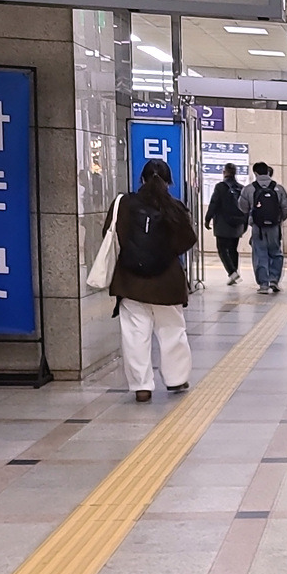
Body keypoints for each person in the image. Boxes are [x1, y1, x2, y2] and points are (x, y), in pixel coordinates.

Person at [109, 159, 196, 403]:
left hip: (130, 282)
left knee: (135, 336)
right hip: (167, 283)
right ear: (169, 182)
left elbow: (113, 234)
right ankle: (176, 379)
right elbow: (187, 240)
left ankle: (142, 387)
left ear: (142, 179)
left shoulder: (123, 204)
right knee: (172, 332)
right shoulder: (175, 208)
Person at [237, 161, 287, 294]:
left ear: (255, 173)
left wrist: (252, 216)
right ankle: (274, 280)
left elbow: (242, 207)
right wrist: (278, 220)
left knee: (260, 254)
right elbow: (286, 208)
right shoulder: (279, 189)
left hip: (258, 227)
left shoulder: (249, 189)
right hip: (274, 227)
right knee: (276, 252)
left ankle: (263, 285)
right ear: (268, 171)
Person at [204, 162, 248, 285]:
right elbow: (246, 207)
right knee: (233, 249)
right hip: (237, 224)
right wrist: (244, 224)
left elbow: (213, 204)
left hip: (223, 224)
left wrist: (207, 219)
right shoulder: (241, 188)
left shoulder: (220, 187)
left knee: (222, 249)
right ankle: (234, 273)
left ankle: (232, 272)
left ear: (224, 172)